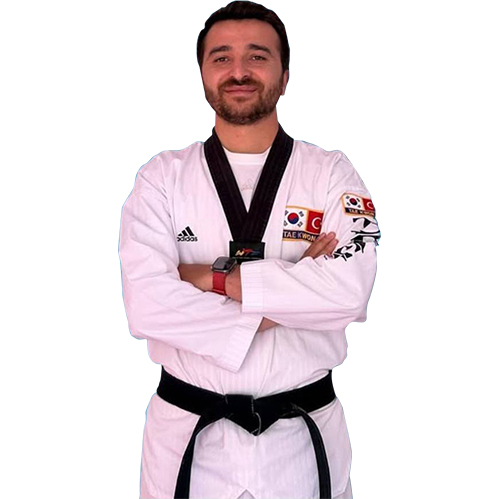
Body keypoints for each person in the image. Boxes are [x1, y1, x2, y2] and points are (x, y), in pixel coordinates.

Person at [119, 2, 380, 498]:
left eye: (257, 57)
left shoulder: (332, 173)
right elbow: (147, 307)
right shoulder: (160, 179)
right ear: (202, 74)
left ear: (285, 76)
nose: (238, 71)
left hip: (302, 437)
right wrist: (294, 290)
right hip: (188, 439)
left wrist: (210, 278)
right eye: (221, 58)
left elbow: (349, 292)